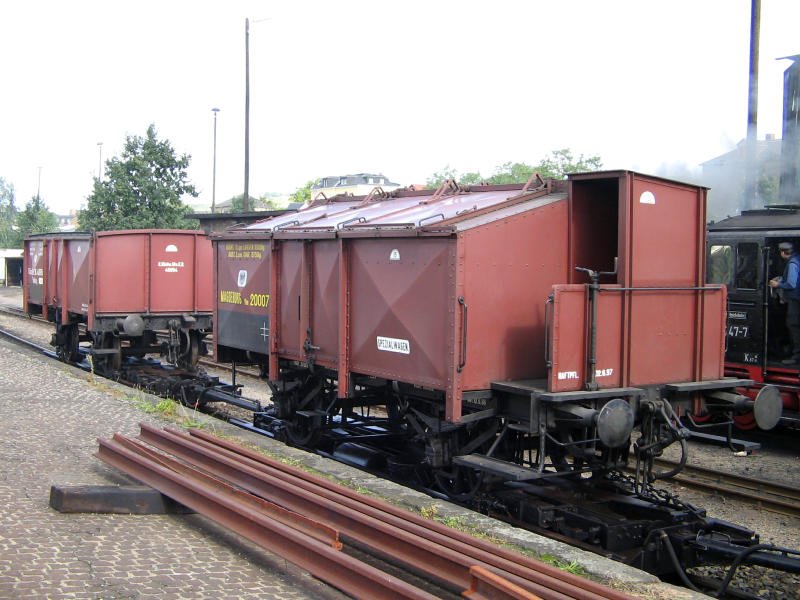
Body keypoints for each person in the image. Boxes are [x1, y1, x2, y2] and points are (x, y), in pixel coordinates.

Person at [770, 241, 800, 364]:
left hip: (795, 300)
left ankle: (796, 356)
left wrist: (778, 284)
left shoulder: (792, 263)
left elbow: (791, 284)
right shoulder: (797, 258)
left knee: (793, 325)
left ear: (783, 252)